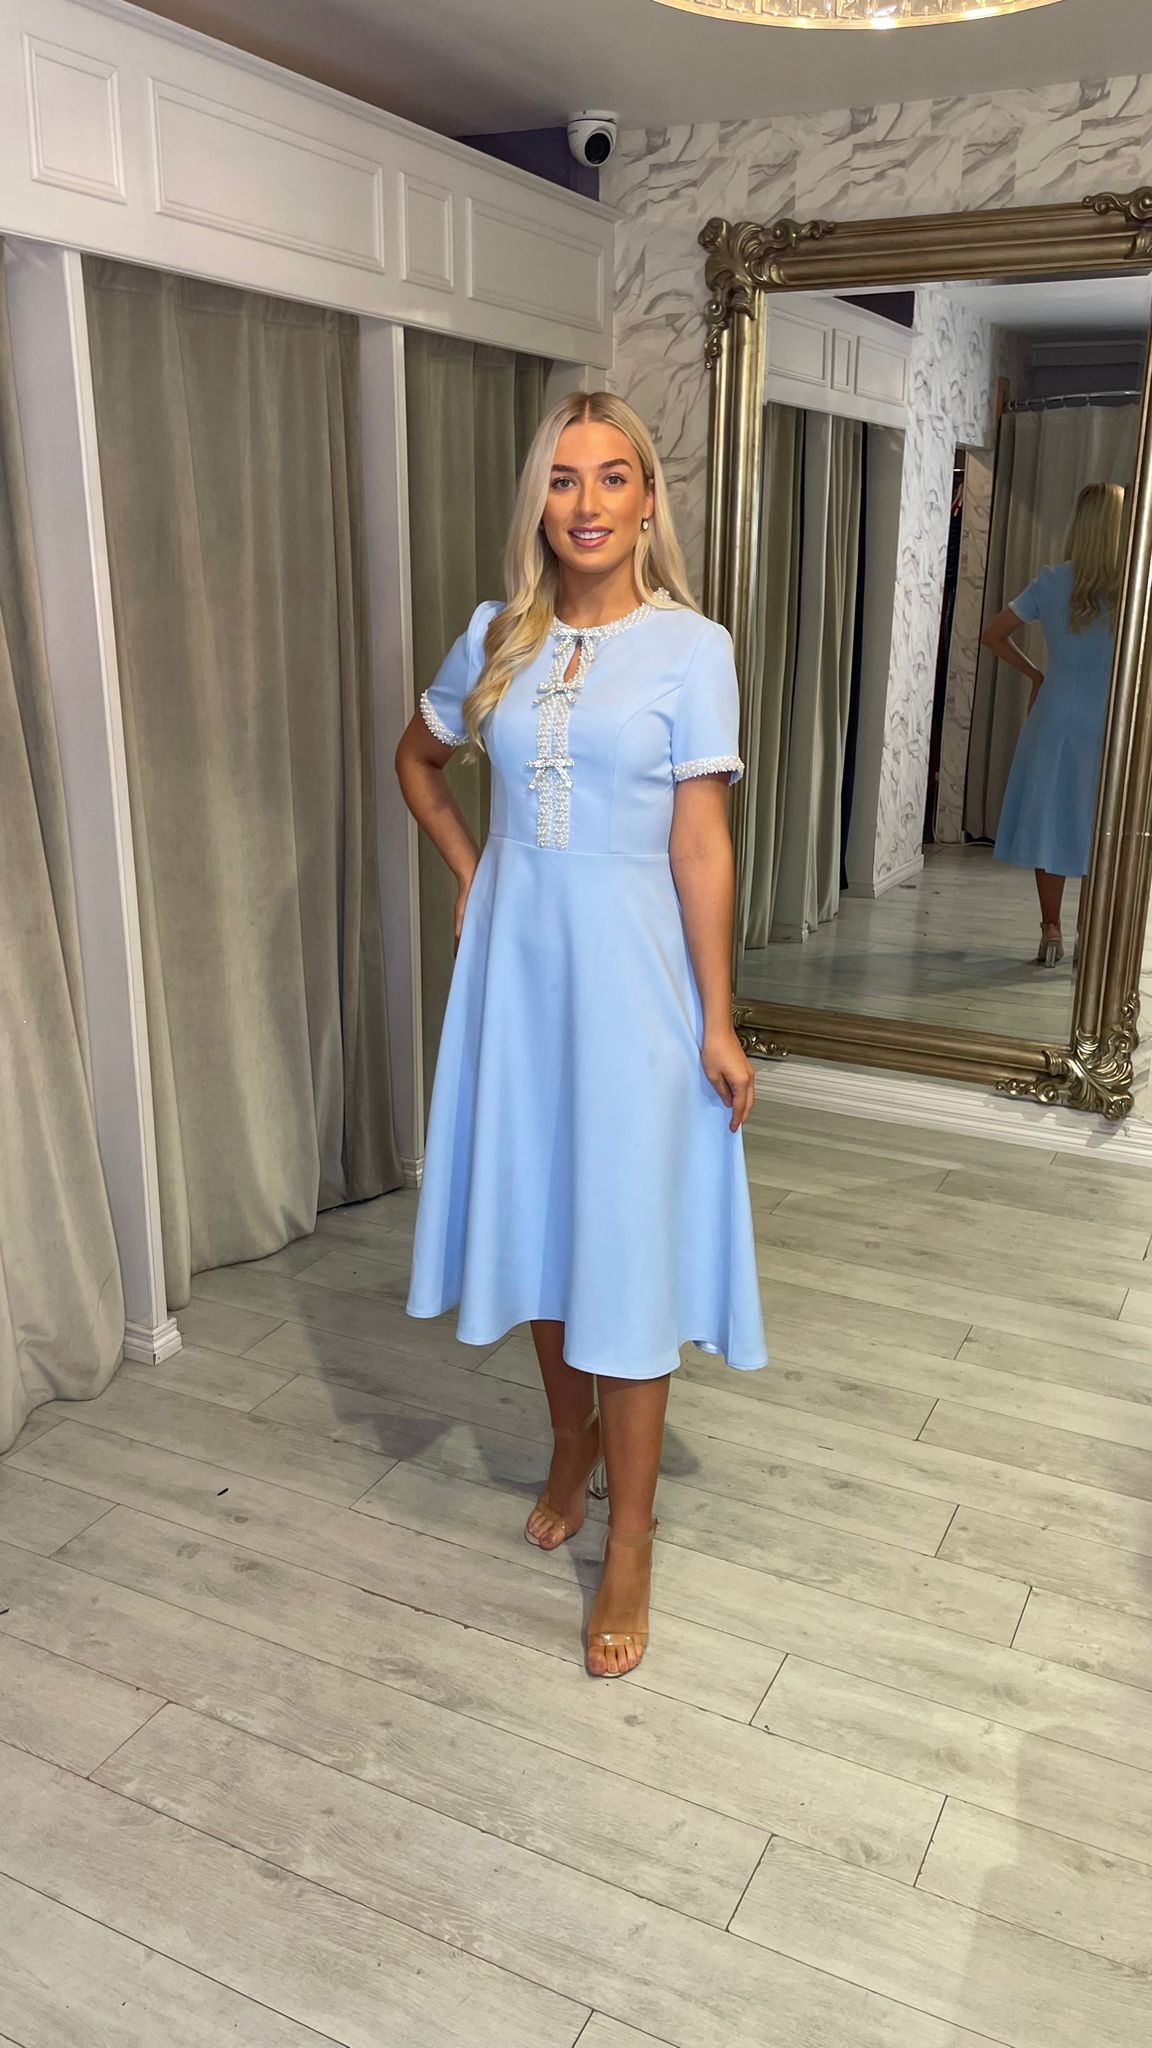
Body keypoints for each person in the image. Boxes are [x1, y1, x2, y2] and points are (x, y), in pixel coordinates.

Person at [395, 390, 768, 1679]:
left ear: (648, 500)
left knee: (624, 1246)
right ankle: (570, 1447)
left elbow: (701, 845)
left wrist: (718, 1019)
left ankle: (632, 1538)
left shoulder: (693, 649)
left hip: (633, 982)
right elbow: (417, 763)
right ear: (539, 503)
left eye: (614, 476)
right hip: (517, 981)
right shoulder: (496, 635)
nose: (589, 501)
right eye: (564, 479)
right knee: (546, 1228)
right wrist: (473, 872)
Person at [982, 481, 1126, 966]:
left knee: (1052, 820)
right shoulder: (1134, 586)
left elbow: (993, 634)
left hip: (1056, 712)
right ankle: (1090, 933)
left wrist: (1037, 674)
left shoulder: (1051, 580)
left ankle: (1050, 931)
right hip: (1110, 720)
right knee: (1101, 826)